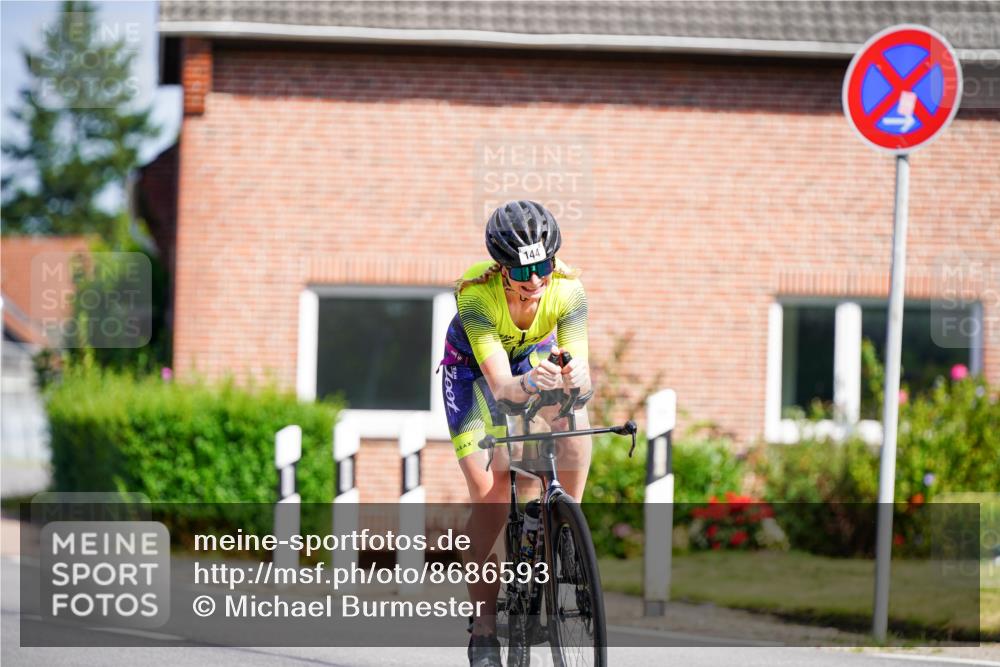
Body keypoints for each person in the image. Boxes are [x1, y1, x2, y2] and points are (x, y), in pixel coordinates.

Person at [438, 200, 593, 667]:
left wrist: (576, 379)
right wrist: (527, 385)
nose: (535, 280)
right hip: (474, 374)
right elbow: (503, 387)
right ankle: (484, 629)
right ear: (502, 268)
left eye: (543, 266)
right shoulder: (475, 294)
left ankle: (566, 529)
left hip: (532, 360)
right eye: (524, 271)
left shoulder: (569, 289)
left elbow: (581, 379)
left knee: (575, 424)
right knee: (491, 493)